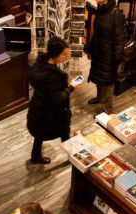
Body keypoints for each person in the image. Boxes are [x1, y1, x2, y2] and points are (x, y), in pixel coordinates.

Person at [27, 36, 80, 165]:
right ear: (55, 55)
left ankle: (35, 156)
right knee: (64, 132)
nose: (67, 56)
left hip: (39, 108)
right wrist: (71, 87)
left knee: (39, 133)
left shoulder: (40, 66)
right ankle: (73, 158)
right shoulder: (53, 76)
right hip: (53, 114)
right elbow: (58, 99)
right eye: (64, 54)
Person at [85, 0, 126, 114]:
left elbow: (119, 41)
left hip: (109, 57)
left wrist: (116, 61)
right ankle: (99, 98)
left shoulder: (116, 14)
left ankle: (107, 111)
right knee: (99, 78)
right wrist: (90, 49)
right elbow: (96, 33)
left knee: (107, 83)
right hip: (99, 52)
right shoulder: (101, 9)